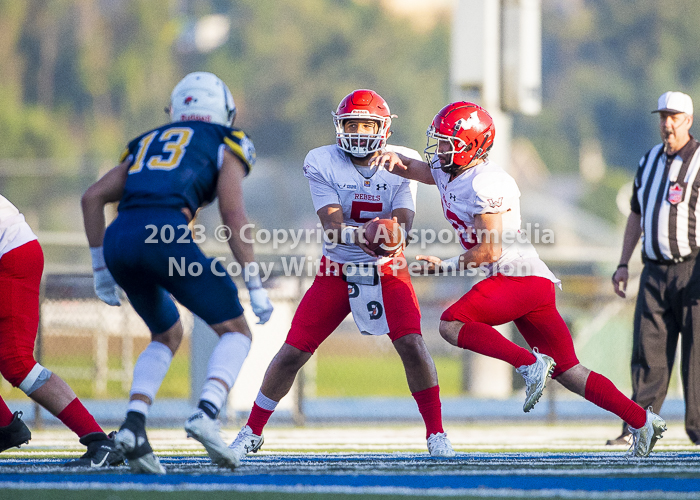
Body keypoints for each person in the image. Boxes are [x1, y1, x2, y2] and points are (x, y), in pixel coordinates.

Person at [372, 101, 666, 457]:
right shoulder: (454, 169)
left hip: (518, 278)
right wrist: (390, 158)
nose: (441, 151)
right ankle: (643, 422)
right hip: (528, 282)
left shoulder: (488, 182)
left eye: (450, 143)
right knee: (570, 371)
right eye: (441, 142)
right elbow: (421, 169)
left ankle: (530, 365)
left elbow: (489, 252)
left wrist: (444, 266)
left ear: (475, 146)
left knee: (451, 324)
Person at [227, 89, 454, 462]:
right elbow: (331, 226)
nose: (360, 131)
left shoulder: (403, 161)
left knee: (412, 344)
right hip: (337, 266)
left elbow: (404, 223)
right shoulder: (321, 160)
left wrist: (388, 235)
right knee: (293, 351)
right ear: (339, 126)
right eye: (352, 124)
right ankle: (252, 430)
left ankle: (436, 433)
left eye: (367, 123)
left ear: (384, 128)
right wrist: (360, 235)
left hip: (387, 267)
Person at [81, 72, 273, 474]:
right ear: (222, 110)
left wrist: (101, 270)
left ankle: (133, 426)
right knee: (237, 331)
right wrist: (254, 284)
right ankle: (206, 413)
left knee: (167, 333)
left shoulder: (146, 141)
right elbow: (233, 212)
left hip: (119, 240)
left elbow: (92, 197)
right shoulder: (226, 141)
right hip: (162, 235)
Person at [0, 194, 122, 467]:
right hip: (13, 251)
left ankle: (97, 440)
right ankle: (5, 428)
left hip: (10, 255)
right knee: (14, 362)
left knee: (18, 362)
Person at [610, 91, 700, 446]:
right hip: (653, 271)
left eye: (674, 117)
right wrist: (622, 263)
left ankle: (698, 429)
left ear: (688, 121)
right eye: (663, 116)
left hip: (693, 268)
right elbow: (636, 213)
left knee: (697, 353)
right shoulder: (648, 160)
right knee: (648, 354)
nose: (667, 123)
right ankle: (640, 427)